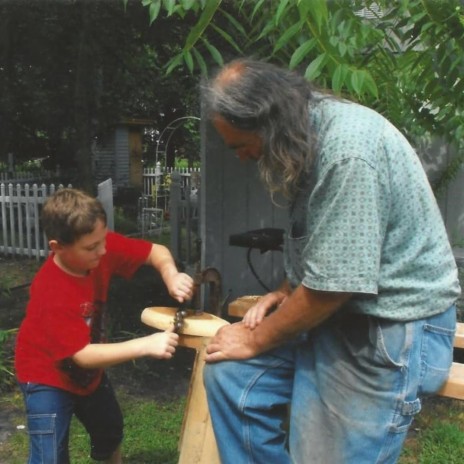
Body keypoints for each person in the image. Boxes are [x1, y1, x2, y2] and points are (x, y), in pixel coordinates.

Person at [202, 58, 461, 464]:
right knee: (232, 378)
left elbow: (333, 287)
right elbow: (330, 248)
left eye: (240, 145)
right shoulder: (305, 133)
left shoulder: (347, 155)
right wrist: (286, 291)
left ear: (268, 123)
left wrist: (254, 337)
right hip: (343, 314)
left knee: (322, 456)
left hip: (393, 328)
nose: (239, 158)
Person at [15, 188, 194, 464]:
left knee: (109, 430)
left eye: (103, 239)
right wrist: (145, 344)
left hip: (87, 374)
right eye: (92, 247)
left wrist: (171, 275)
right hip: (45, 375)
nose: (104, 250)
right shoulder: (51, 289)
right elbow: (82, 355)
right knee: (48, 456)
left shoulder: (99, 246)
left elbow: (155, 251)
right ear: (57, 247)